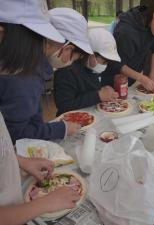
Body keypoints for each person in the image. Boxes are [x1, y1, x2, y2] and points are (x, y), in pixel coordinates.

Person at [0, 1, 80, 224]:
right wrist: (43, 204)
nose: (43, 52)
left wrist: (17, 160)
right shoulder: (19, 79)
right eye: (36, 42)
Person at [0, 6, 93, 144]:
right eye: (74, 58)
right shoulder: (24, 78)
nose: (70, 63)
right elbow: (14, 134)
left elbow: (29, 117)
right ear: (67, 48)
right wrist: (60, 129)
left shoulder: (31, 69)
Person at [54, 28, 120, 116]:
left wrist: (104, 90)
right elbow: (64, 106)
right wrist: (98, 95)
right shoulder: (67, 71)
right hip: (71, 120)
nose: (105, 65)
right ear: (91, 54)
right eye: (104, 61)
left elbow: (91, 87)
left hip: (90, 113)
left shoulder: (91, 67)